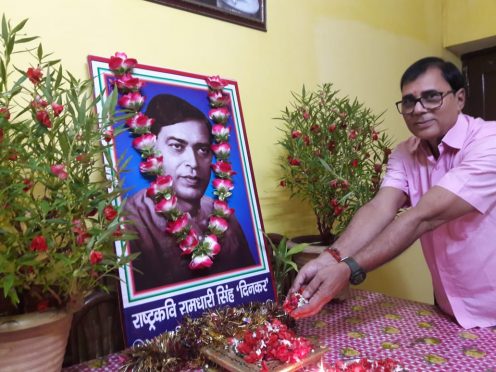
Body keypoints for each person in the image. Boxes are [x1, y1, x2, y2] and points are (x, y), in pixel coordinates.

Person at [290, 57, 496, 329]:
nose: (419, 109)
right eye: (409, 101)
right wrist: (329, 257)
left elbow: (423, 217)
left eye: (431, 97)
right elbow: (381, 207)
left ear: (459, 99)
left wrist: (348, 269)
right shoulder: (405, 153)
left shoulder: (488, 142)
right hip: (450, 310)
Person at [125, 94, 255, 291]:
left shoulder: (221, 215)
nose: (193, 163)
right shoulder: (133, 221)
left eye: (202, 150)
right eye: (177, 147)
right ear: (153, 150)